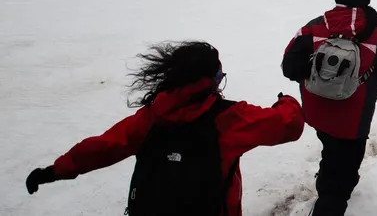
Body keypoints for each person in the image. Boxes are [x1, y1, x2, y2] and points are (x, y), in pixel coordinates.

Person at [26, 41, 303, 216]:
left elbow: (102, 147)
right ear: (209, 81)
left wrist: (54, 171)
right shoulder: (230, 118)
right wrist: (286, 101)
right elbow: (289, 126)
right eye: (218, 76)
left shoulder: (152, 117)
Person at [281, 0, 377, 216]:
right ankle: (330, 201)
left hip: (318, 112)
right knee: (344, 173)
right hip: (355, 118)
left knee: (330, 148)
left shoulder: (314, 27)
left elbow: (289, 66)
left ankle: (327, 185)